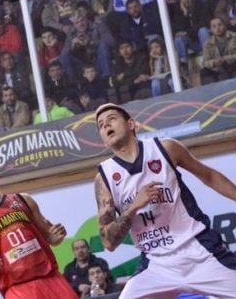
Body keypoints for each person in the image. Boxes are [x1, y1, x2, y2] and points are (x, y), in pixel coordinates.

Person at [94, 103, 236, 298]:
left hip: (199, 251)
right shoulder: (104, 177)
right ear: (103, 140)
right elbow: (108, 242)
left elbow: (209, 175)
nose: (106, 125)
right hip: (156, 265)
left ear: (131, 124)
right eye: (101, 125)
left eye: (111, 119)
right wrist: (134, 206)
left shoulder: (165, 148)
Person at [0, 160, 76, 299]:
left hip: (51, 278)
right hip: (18, 289)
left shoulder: (24, 199)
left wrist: (57, 236)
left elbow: (50, 238)